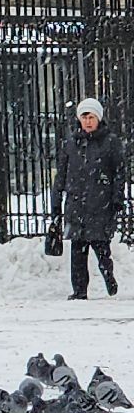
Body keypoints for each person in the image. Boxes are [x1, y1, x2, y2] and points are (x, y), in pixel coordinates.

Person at [52, 96, 126, 300]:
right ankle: (79, 290)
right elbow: (62, 174)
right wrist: (56, 202)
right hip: (76, 204)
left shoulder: (110, 142)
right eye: (84, 117)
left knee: (100, 245)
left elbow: (119, 172)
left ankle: (108, 275)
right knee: (77, 250)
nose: (87, 121)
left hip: (100, 203)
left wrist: (117, 198)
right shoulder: (71, 143)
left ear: (98, 118)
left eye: (91, 117)